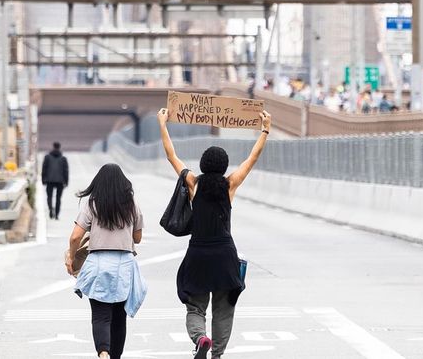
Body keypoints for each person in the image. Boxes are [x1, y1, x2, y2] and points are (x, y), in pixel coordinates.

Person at [157, 107, 272, 359]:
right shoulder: (230, 184)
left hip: (198, 254)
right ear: (223, 166)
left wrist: (163, 125)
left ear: (202, 164)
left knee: (195, 307)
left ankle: (201, 338)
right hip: (224, 255)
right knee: (223, 309)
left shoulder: (193, 183)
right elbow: (251, 159)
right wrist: (265, 130)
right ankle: (217, 355)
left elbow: (171, 155)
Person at [66, 163, 146, 359]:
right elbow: (137, 238)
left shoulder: (92, 203)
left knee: (101, 316)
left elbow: (75, 237)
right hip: (124, 265)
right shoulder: (131, 204)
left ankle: (103, 353)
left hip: (98, 263)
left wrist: (71, 256)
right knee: (119, 318)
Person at [42, 142, 69, 220]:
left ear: (53, 147)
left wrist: (43, 179)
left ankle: (51, 208)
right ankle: (57, 215)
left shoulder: (47, 157)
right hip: (60, 181)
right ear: (59, 147)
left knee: (49, 196)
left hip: (49, 180)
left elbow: (44, 169)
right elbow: (66, 171)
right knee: (58, 198)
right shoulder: (63, 159)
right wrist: (66, 181)